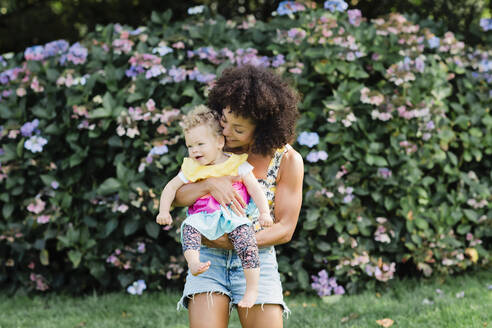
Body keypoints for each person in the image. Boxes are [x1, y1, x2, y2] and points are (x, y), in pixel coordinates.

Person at [174, 65, 304, 328]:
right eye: (224, 121)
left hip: (256, 257)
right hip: (209, 259)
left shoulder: (287, 159)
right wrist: (209, 184)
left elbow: (285, 228)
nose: (227, 133)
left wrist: (238, 243)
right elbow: (177, 196)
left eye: (239, 129)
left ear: (262, 129)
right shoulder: (210, 147)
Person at [156, 104, 273, 308]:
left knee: (247, 244)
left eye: (200, 144)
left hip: (234, 217)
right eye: (190, 146)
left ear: (219, 142)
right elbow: (171, 187)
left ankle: (252, 289)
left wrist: (264, 212)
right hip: (204, 218)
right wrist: (163, 210)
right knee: (189, 228)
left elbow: (255, 189)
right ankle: (194, 262)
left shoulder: (237, 164)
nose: (194, 151)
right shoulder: (192, 167)